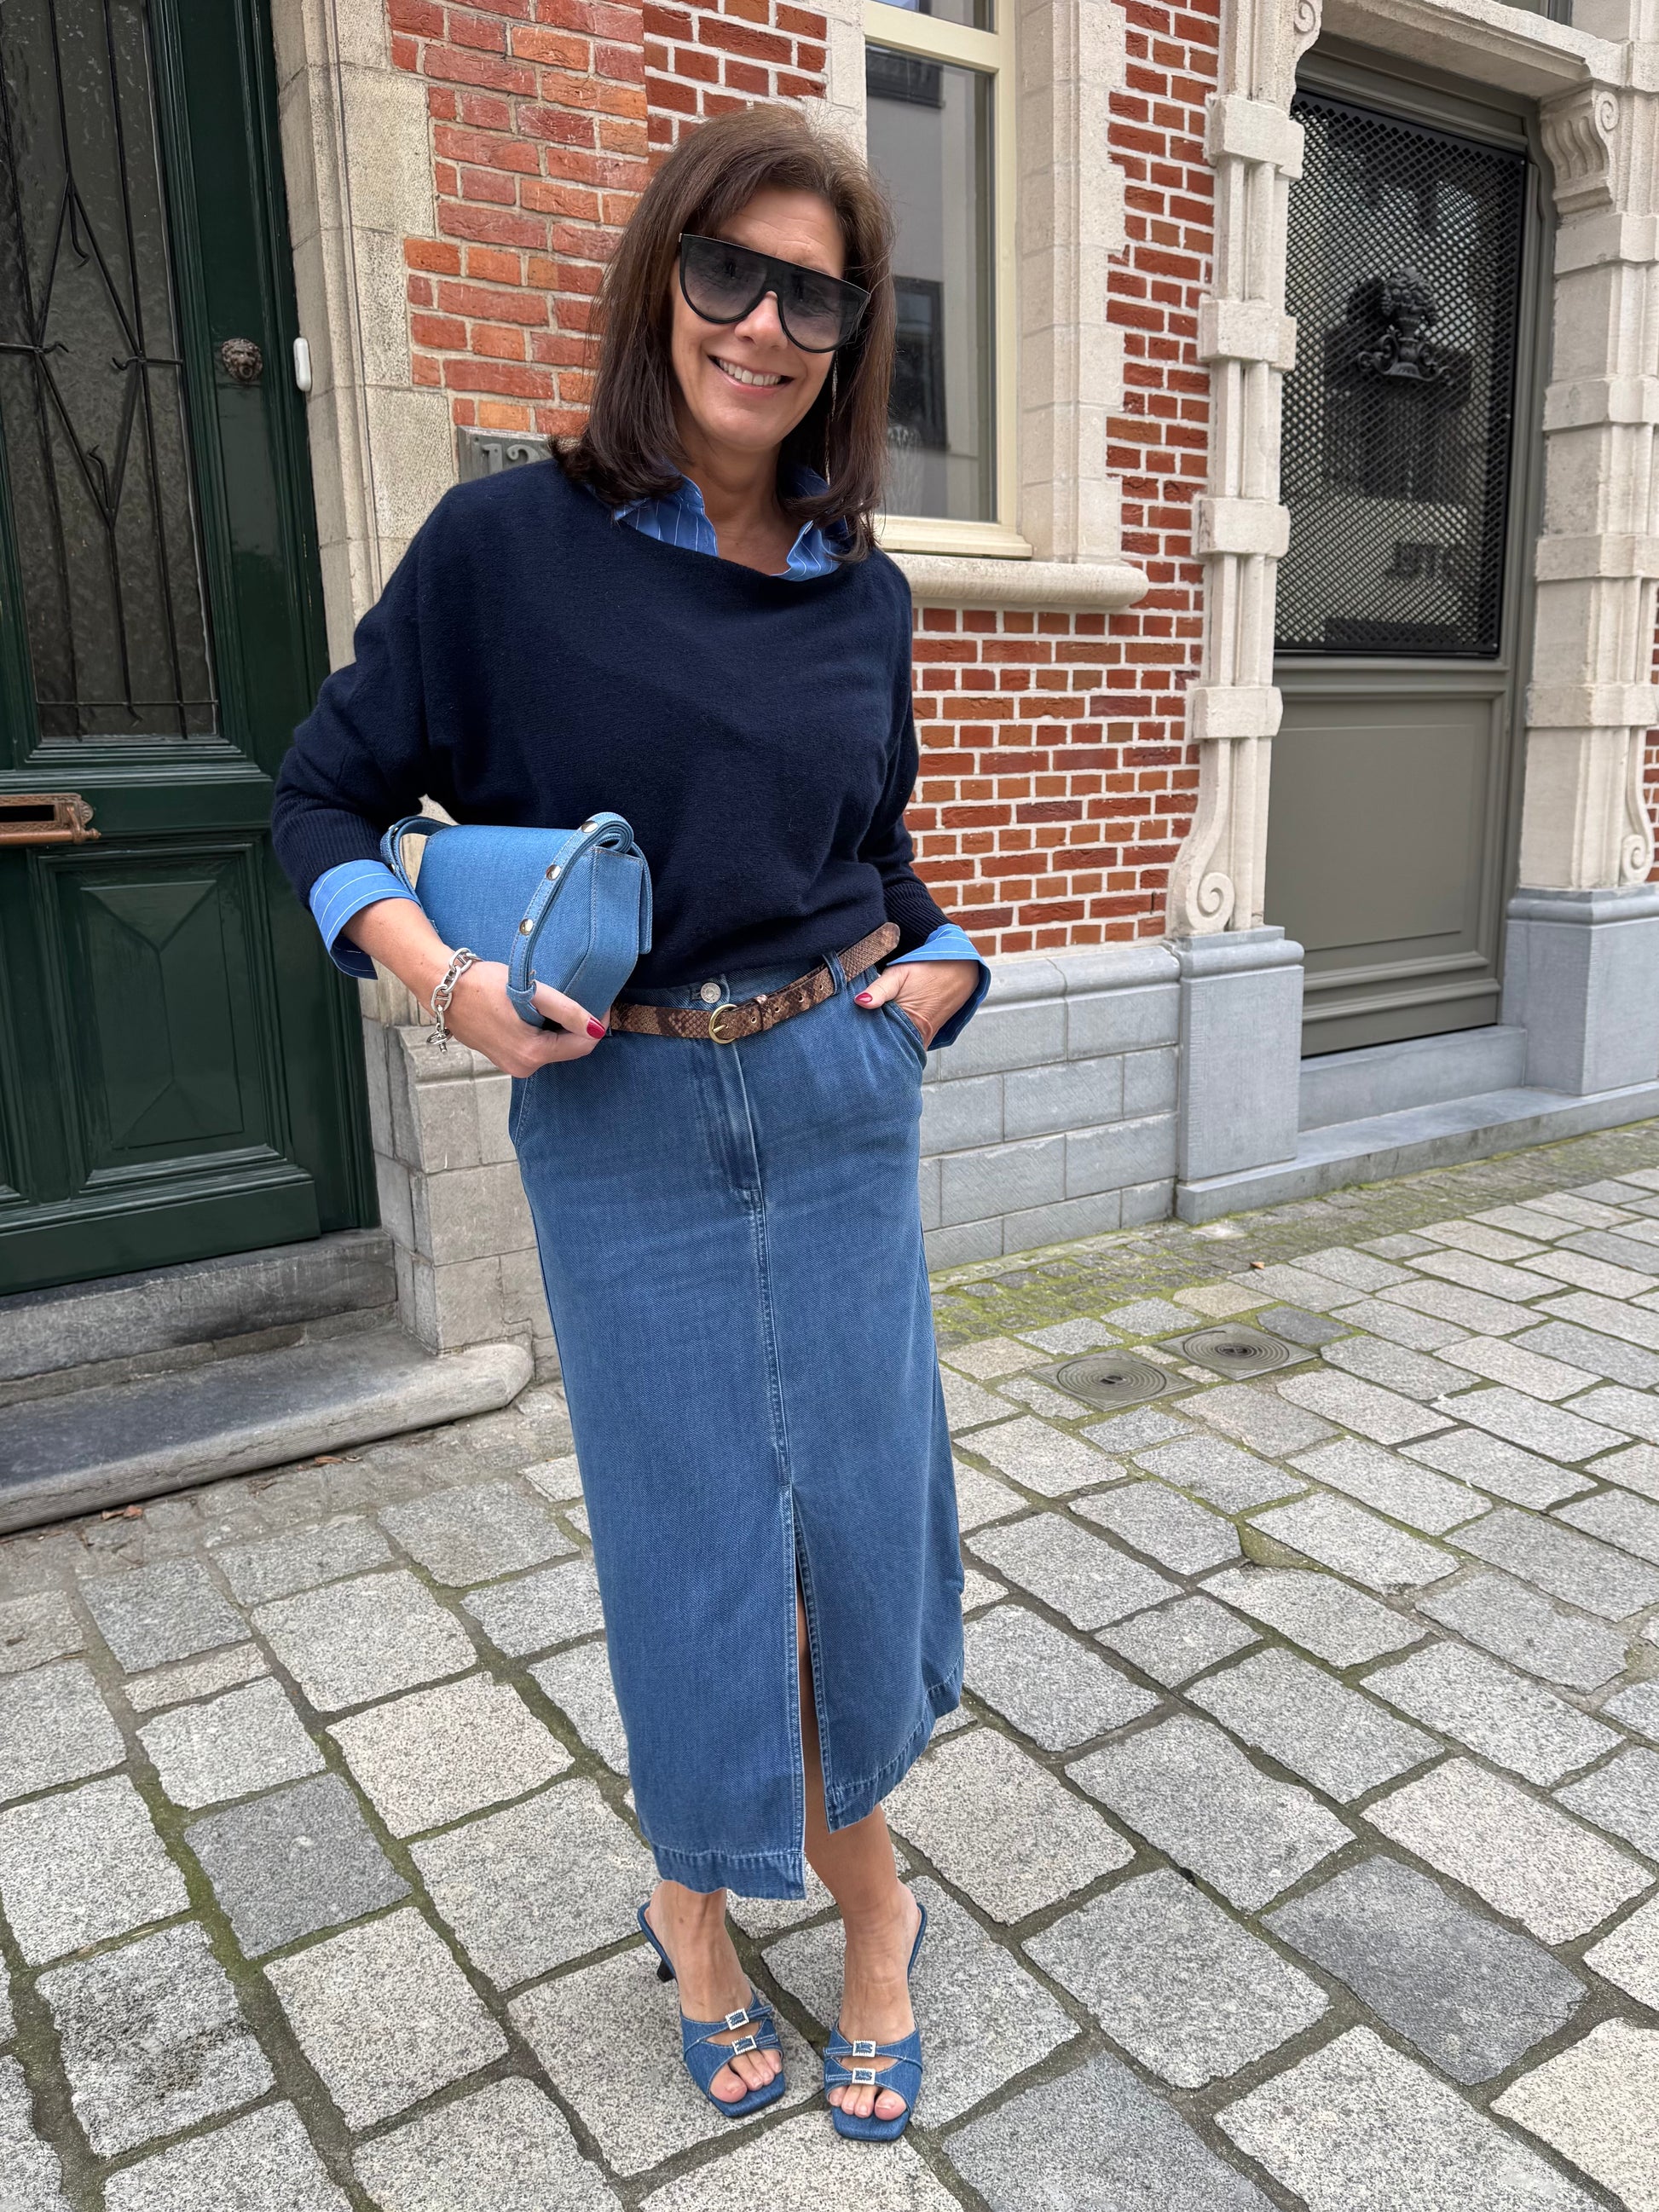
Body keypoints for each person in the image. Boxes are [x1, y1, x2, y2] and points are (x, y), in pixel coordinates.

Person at [271, 103, 987, 2141]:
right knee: (695, 1551)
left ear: (851, 337)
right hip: (624, 1119)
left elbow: (877, 856)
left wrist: (942, 971)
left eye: (814, 297)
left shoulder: (864, 590)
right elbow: (321, 801)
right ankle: (695, 1905)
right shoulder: (504, 548)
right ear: (662, 279)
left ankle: (869, 1898)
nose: (763, 325)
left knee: (854, 1536)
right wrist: (448, 982)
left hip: (834, 1097)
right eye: (728, 272)